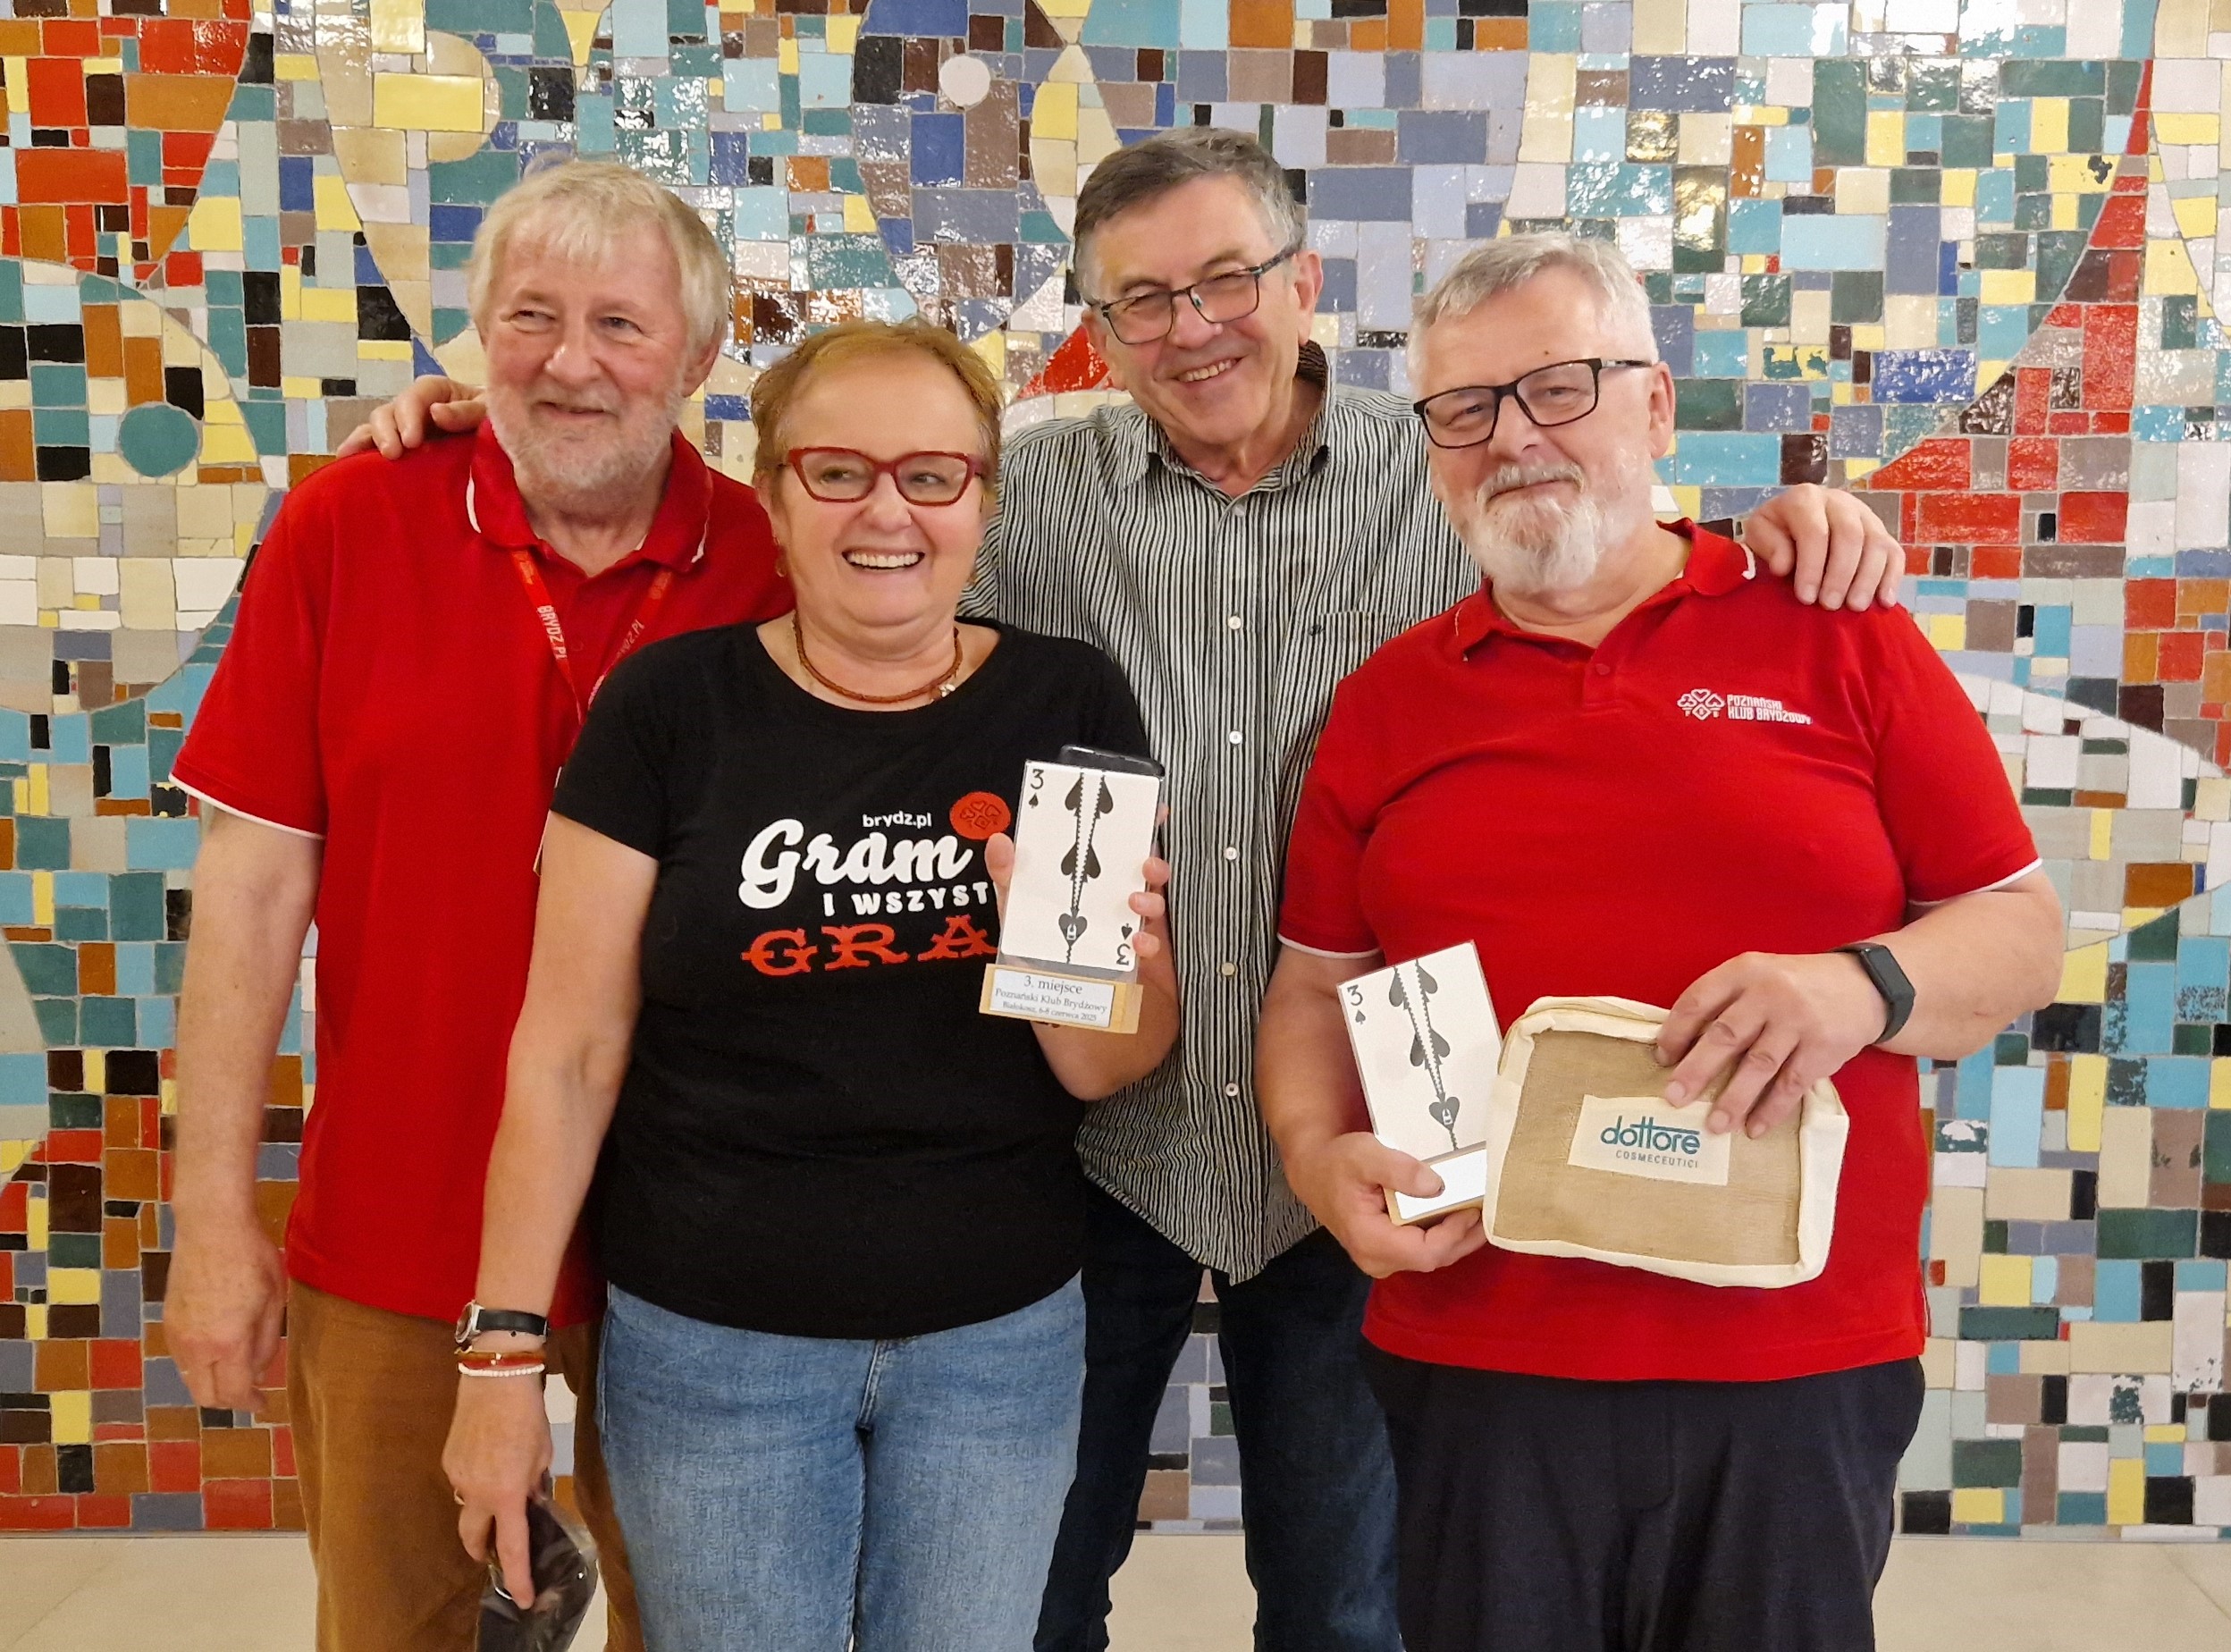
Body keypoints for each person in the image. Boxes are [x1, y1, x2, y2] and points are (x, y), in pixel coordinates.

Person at [347, 130, 1908, 1652]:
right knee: (1038, 1604)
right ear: (1097, 325)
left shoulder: (1441, 464)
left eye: (1227, 279)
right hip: (1104, 1164)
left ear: (1304, 282)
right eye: (1143, 299)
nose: (1193, 326)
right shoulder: (1020, 489)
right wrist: (499, 425)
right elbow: (841, 552)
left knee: (1350, 1607)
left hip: (1371, 1137)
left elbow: (1592, 531)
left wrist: (1780, 532)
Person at [1257, 232, 2067, 1652]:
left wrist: (1861, 987)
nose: (1515, 438)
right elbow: (1319, 988)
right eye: (1467, 409)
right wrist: (1320, 1159)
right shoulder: (1387, 702)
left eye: (1560, 386)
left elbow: (2019, 930)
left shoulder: (1836, 631)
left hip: (1793, 1358)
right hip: (1483, 1352)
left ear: (1654, 404)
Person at [438, 316, 1180, 1651]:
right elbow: (567, 1053)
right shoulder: (669, 710)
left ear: (981, 503)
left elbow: (1102, 1066)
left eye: (932, 475)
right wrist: (500, 1358)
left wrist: (1105, 967)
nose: (887, 512)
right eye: (837, 472)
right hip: (714, 1347)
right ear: (776, 500)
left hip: (996, 1344)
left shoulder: (1066, 701)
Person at [161, 159, 790, 1652]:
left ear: (701, 358)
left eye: (621, 325)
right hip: (403, 1219)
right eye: (531, 317)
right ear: (476, 337)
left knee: (708, 1627)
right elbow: (251, 892)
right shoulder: (348, 524)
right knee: (398, 1627)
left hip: (697, 1233)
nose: (571, 362)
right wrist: (210, 1219)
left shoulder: (777, 564)